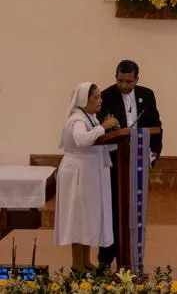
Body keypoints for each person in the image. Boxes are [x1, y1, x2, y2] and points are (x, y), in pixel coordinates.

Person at [97, 59, 163, 269]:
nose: (124, 86)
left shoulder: (147, 94)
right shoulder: (106, 96)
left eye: (129, 81)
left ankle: (135, 259)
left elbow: (155, 124)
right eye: (120, 80)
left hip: (139, 160)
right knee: (113, 210)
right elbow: (101, 129)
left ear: (137, 79)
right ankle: (106, 259)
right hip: (114, 161)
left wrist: (154, 152)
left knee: (136, 210)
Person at [55, 82, 119, 271]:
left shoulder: (89, 117)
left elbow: (96, 143)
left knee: (88, 218)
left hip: (89, 173)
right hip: (78, 175)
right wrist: (103, 127)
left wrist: (117, 137)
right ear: (84, 99)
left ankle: (85, 261)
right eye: (96, 97)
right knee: (79, 219)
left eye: (100, 96)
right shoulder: (77, 120)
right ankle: (77, 264)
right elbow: (82, 140)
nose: (100, 100)